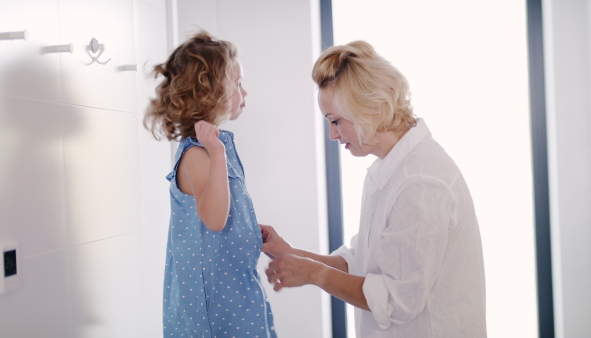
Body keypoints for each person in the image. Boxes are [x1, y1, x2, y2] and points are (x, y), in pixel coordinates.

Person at [261, 40, 486, 337]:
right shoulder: (389, 169)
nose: (332, 134)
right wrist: (294, 255)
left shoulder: (420, 181)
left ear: (368, 108)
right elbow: (364, 263)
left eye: (335, 121)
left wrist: (314, 274)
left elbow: (395, 299)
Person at [144, 30, 277, 338]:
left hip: (233, 290)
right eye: (238, 84)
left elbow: (224, 212)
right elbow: (214, 219)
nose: (245, 93)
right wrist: (216, 154)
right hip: (213, 305)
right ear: (210, 90)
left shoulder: (216, 147)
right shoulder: (198, 155)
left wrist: (245, 229)